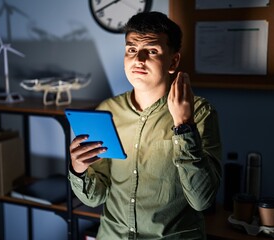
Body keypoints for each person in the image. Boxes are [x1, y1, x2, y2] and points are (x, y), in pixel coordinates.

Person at [68, 11, 222, 239]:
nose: (138, 59)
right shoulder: (107, 111)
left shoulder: (198, 112)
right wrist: (78, 169)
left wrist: (184, 125)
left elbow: (202, 201)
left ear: (173, 61)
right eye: (131, 49)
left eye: (151, 51)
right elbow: (95, 197)